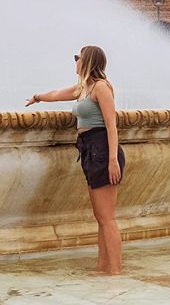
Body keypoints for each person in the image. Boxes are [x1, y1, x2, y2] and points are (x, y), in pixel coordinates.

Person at [26, 45, 125, 274]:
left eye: (77, 58)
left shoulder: (101, 87)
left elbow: (111, 125)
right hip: (91, 150)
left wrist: (112, 160)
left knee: (107, 218)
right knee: (101, 217)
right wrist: (38, 98)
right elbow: (57, 94)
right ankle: (105, 268)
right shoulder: (84, 88)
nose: (75, 61)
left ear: (87, 60)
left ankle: (116, 272)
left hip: (102, 150)